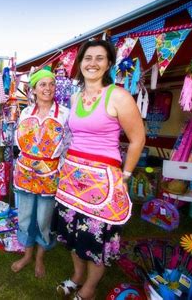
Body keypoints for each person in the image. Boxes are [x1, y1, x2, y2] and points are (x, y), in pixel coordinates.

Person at [54, 39, 145, 300]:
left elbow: (138, 138)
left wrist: (125, 176)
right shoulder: (74, 97)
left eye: (99, 58)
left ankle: (89, 288)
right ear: (80, 63)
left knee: (96, 239)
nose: (92, 63)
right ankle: (77, 276)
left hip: (103, 180)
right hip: (72, 177)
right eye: (87, 58)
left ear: (108, 64)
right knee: (72, 233)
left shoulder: (118, 95)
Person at [11, 67, 70, 278]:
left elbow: (69, 144)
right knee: (25, 216)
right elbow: (21, 142)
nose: (48, 88)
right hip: (26, 173)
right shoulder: (26, 113)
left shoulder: (64, 114)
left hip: (50, 175)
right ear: (33, 89)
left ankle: (39, 258)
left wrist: (58, 166)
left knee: (44, 218)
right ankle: (27, 255)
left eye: (51, 84)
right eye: (42, 84)